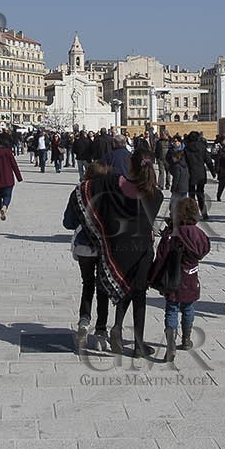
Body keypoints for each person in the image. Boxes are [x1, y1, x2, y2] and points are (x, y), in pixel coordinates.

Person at [76, 154, 163, 359]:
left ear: (131, 169)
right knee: (139, 295)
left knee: (123, 287)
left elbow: (90, 186)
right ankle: (138, 344)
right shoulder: (156, 195)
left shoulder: (117, 186)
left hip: (117, 246)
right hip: (142, 249)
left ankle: (116, 326)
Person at [153, 197, 211, 361]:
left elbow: (162, 255)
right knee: (188, 308)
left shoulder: (174, 233)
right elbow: (205, 246)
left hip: (173, 277)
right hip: (191, 277)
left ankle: (171, 344)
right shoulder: (199, 233)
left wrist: (154, 276)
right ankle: (186, 339)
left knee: (171, 309)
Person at [65, 161, 112, 352]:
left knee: (88, 284)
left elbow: (67, 222)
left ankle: (84, 320)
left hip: (84, 247)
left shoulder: (77, 193)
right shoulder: (110, 195)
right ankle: (101, 331)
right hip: (104, 247)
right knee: (103, 288)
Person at [0, 134, 23, 219]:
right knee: (7, 195)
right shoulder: (7, 152)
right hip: (7, 178)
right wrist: (19, 177)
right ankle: (4, 207)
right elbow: (14, 165)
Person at [183, 132, 210, 219]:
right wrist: (213, 171)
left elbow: (183, 162)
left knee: (191, 195)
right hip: (201, 173)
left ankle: (192, 213)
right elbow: (208, 160)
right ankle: (204, 213)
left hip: (190, 173)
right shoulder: (202, 147)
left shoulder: (186, 148)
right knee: (201, 193)